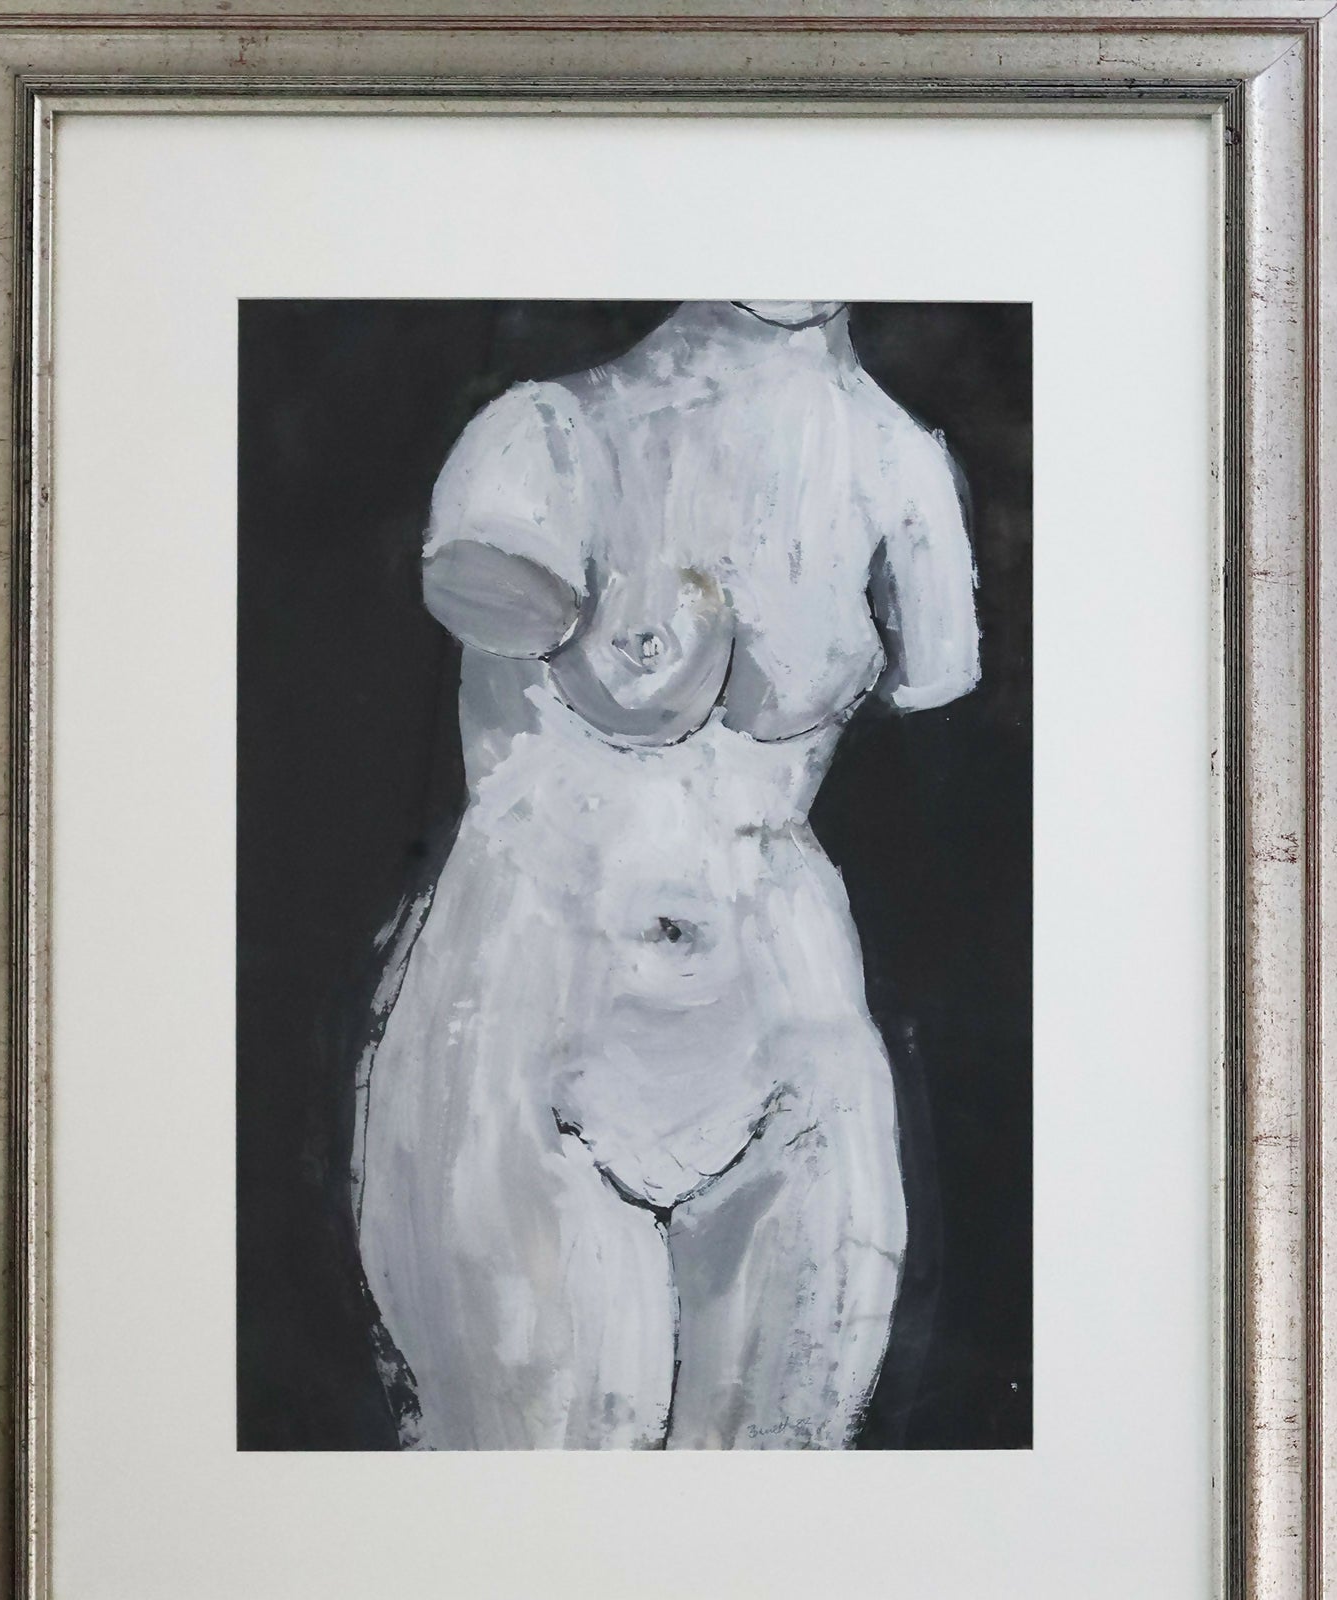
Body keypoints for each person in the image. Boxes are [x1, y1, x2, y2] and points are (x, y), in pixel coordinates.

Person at [353, 299, 979, 1450]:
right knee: (528, 1514)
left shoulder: (901, 470)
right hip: (534, 1020)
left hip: (787, 1031)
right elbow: (479, 587)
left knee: (772, 1519)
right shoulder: (541, 441)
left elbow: (937, 670)